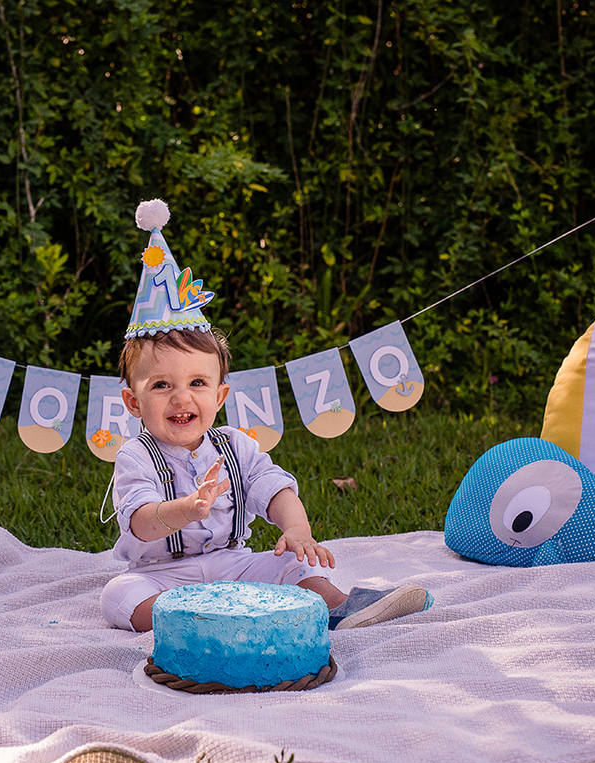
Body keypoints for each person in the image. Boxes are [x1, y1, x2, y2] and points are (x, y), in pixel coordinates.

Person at [99, 199, 431, 632]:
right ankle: (189, 624)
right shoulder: (136, 457)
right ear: (133, 402)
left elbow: (275, 489)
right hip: (163, 576)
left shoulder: (236, 446)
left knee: (291, 563)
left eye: (197, 383)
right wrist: (187, 509)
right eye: (161, 386)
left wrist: (297, 530)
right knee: (118, 595)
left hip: (235, 565)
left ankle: (338, 607)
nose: (181, 398)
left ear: (220, 395)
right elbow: (141, 523)